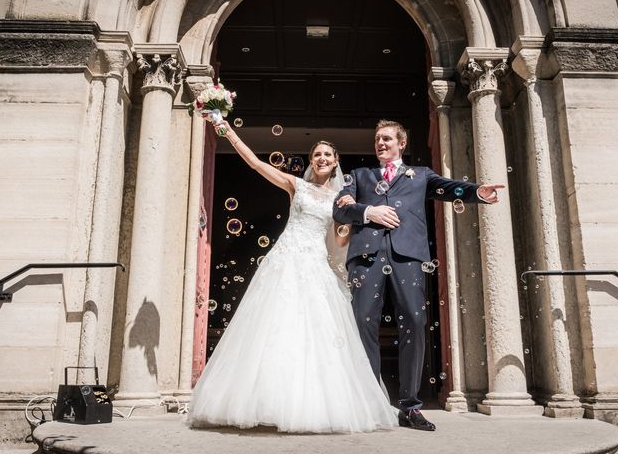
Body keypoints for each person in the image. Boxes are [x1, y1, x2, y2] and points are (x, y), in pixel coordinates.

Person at [187, 120, 398, 433]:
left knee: (316, 336)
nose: (322, 158)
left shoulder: (343, 199)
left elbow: (339, 242)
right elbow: (256, 164)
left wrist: (347, 230)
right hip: (284, 263)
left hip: (315, 266)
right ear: (312, 160)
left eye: (328, 154)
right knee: (272, 330)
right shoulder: (296, 186)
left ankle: (308, 406)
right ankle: (265, 402)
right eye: (317, 154)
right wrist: (225, 129)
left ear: (337, 160)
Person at [333, 119, 503, 431]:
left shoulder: (421, 175)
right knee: (363, 323)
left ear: (401, 144)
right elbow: (340, 209)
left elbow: (450, 187)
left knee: (414, 321)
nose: (380, 144)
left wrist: (477, 192)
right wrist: (368, 212)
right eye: (377, 139)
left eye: (387, 139)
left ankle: (409, 407)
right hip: (366, 258)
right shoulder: (358, 176)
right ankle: (369, 401)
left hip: (407, 257)